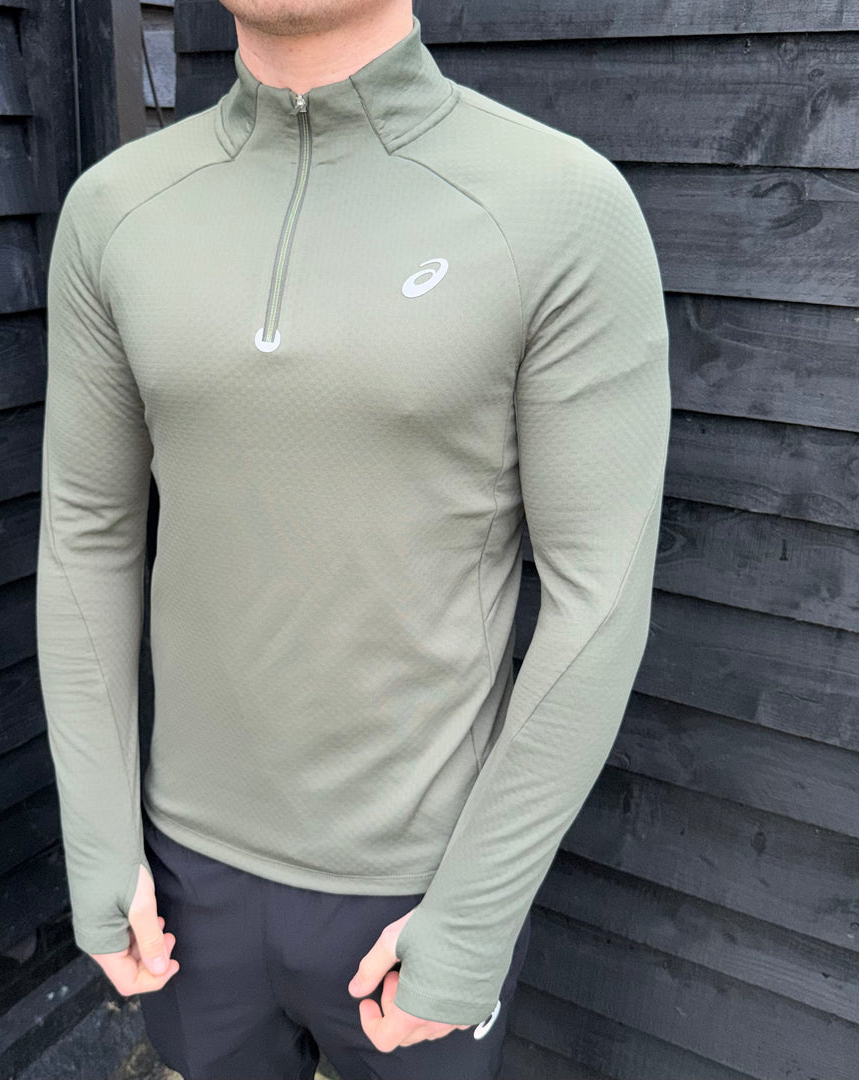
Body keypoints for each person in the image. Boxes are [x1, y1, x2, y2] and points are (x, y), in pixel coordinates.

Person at [34, 0, 672, 1076]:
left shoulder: (560, 207)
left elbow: (599, 594)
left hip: (419, 883)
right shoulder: (114, 211)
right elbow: (87, 533)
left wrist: (473, 915)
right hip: (184, 875)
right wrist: (100, 839)